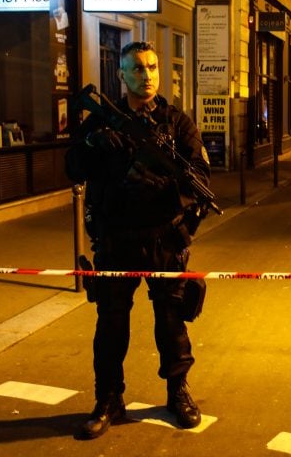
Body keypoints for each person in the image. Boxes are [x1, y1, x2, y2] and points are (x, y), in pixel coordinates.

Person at [65, 41, 211, 439]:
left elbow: (198, 177)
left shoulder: (177, 123)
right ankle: (108, 398)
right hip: (115, 238)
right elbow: (72, 167)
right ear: (122, 75)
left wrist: (161, 186)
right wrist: (93, 144)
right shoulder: (102, 121)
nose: (146, 75)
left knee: (171, 321)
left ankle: (177, 391)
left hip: (164, 238)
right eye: (138, 68)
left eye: (152, 67)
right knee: (111, 324)